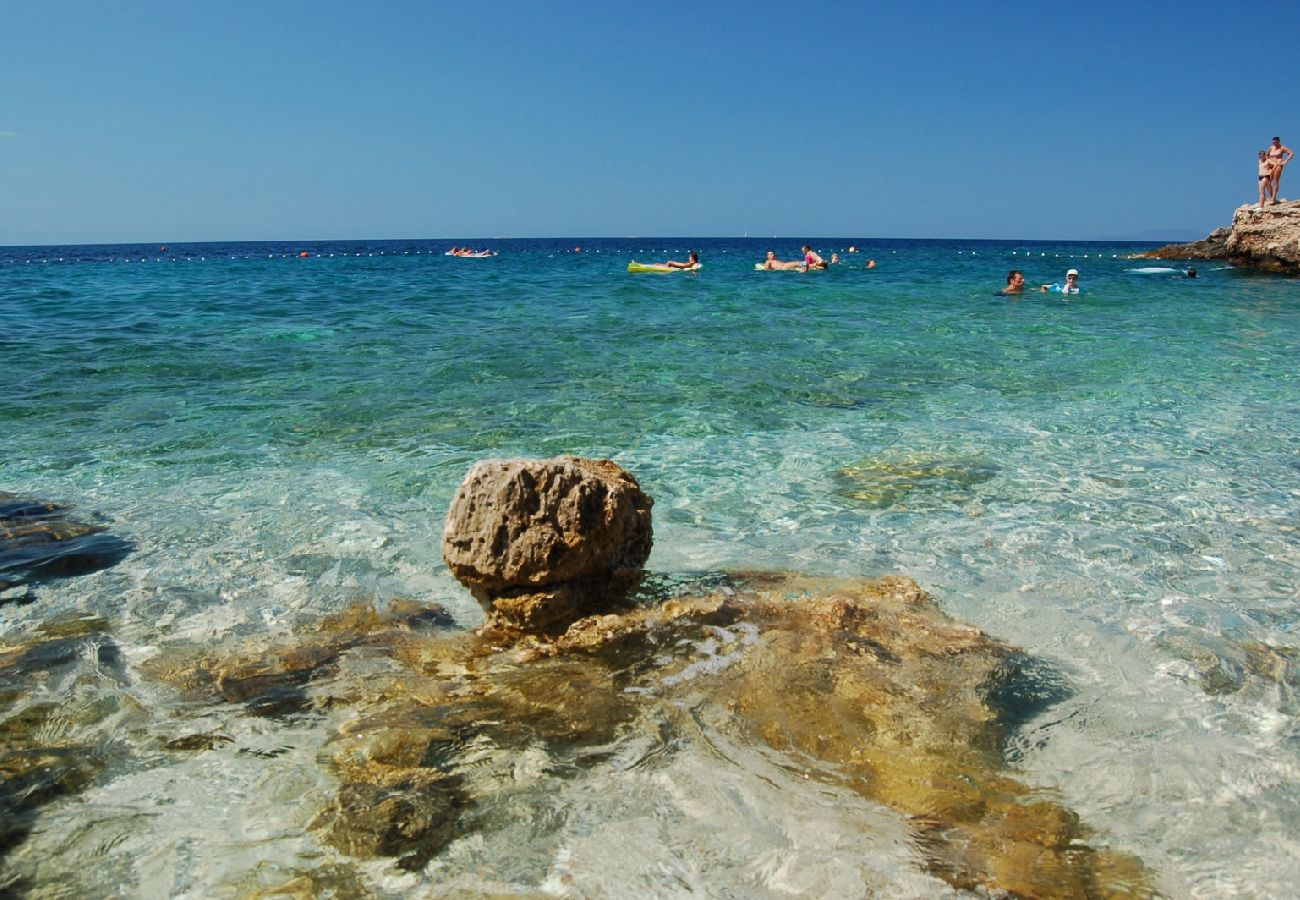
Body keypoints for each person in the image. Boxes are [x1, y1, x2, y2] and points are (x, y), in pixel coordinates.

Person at [1267, 137, 1293, 201]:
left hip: (1278, 164)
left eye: (1275, 142)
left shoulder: (1282, 148)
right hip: (1271, 165)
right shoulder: (1271, 148)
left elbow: (1291, 153)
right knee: (1268, 182)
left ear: (1278, 142)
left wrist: (1286, 161)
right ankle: (1271, 196)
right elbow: (1266, 155)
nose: (1274, 143)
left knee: (1275, 181)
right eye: (1273, 142)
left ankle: (1273, 197)